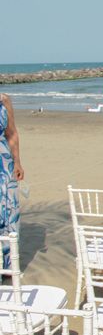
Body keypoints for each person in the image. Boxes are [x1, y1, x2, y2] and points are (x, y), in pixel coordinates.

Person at [0, 94, 24, 269]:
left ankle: (9, 266)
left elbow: (12, 133)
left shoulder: (4, 100)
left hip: (4, 165)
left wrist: (17, 162)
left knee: (9, 212)